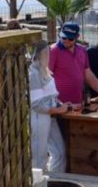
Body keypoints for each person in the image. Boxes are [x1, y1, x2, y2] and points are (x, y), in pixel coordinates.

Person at [29, 40, 70, 172]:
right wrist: (58, 109)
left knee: (59, 152)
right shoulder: (33, 73)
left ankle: (55, 180)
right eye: (46, 53)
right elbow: (36, 104)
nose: (48, 55)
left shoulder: (44, 71)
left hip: (50, 116)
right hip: (39, 118)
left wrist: (62, 105)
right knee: (39, 157)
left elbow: (50, 96)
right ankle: (38, 184)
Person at [48, 22, 98, 106]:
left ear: (77, 37)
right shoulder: (53, 51)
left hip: (77, 102)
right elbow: (46, 77)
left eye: (70, 39)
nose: (66, 40)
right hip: (59, 104)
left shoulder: (82, 50)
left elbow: (88, 74)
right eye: (64, 37)